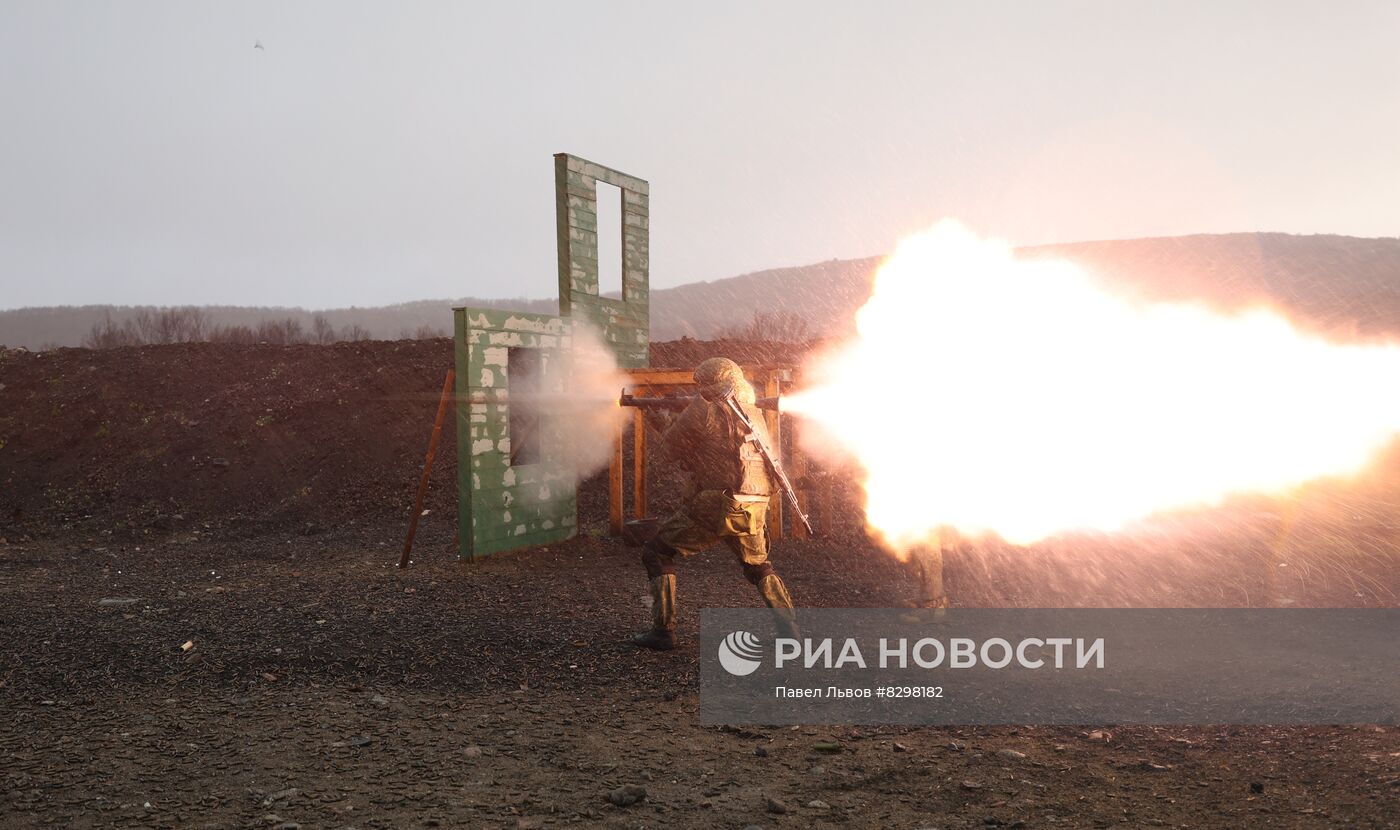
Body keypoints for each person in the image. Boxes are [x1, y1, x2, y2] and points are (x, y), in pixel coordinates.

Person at [632, 357, 799, 650]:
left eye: (701, 386)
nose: (698, 392)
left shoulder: (702, 408)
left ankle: (663, 632)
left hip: (717, 504)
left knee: (657, 553)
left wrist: (662, 419)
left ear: (709, 384)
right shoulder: (753, 412)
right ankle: (791, 631)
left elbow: (669, 451)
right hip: (754, 503)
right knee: (759, 567)